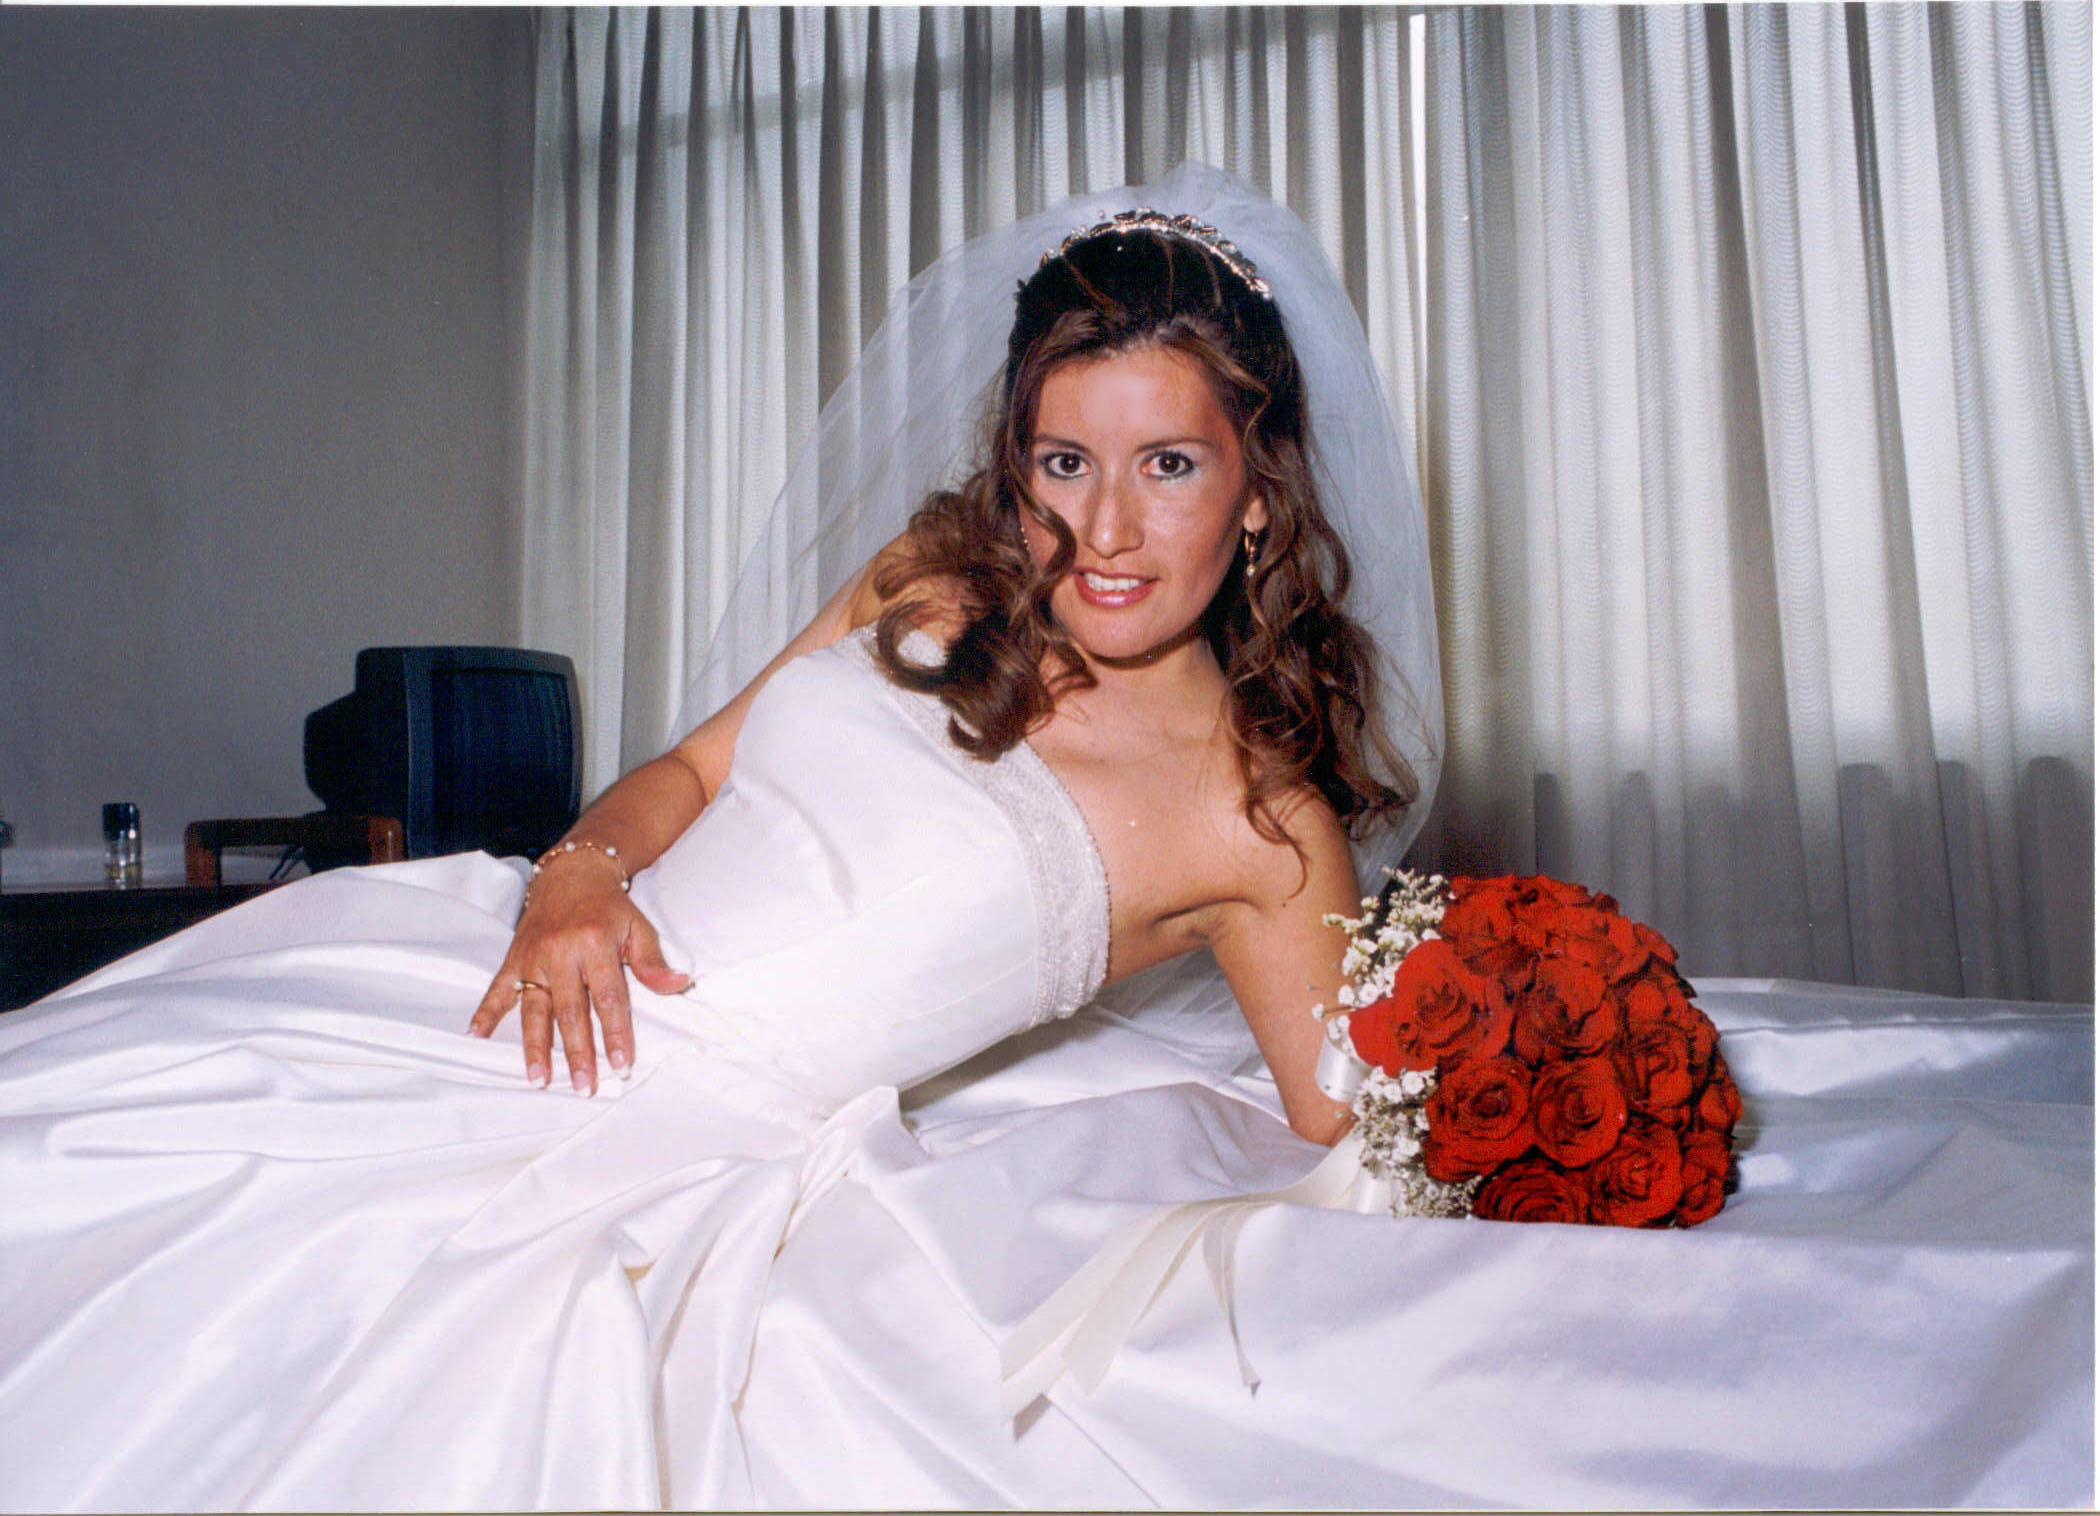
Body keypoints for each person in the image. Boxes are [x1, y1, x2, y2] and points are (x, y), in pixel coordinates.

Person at [0, 166, 1438, 1510]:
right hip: (514, 966)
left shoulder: (1259, 828)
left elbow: (1349, 1132)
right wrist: (574, 875)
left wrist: (1529, 1042)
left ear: (1260, 492)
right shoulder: (930, 581)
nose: (1106, 529)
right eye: (1065, 460)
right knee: (88, 1153)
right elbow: (694, 769)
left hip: (667, 1140)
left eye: (1169, 464)